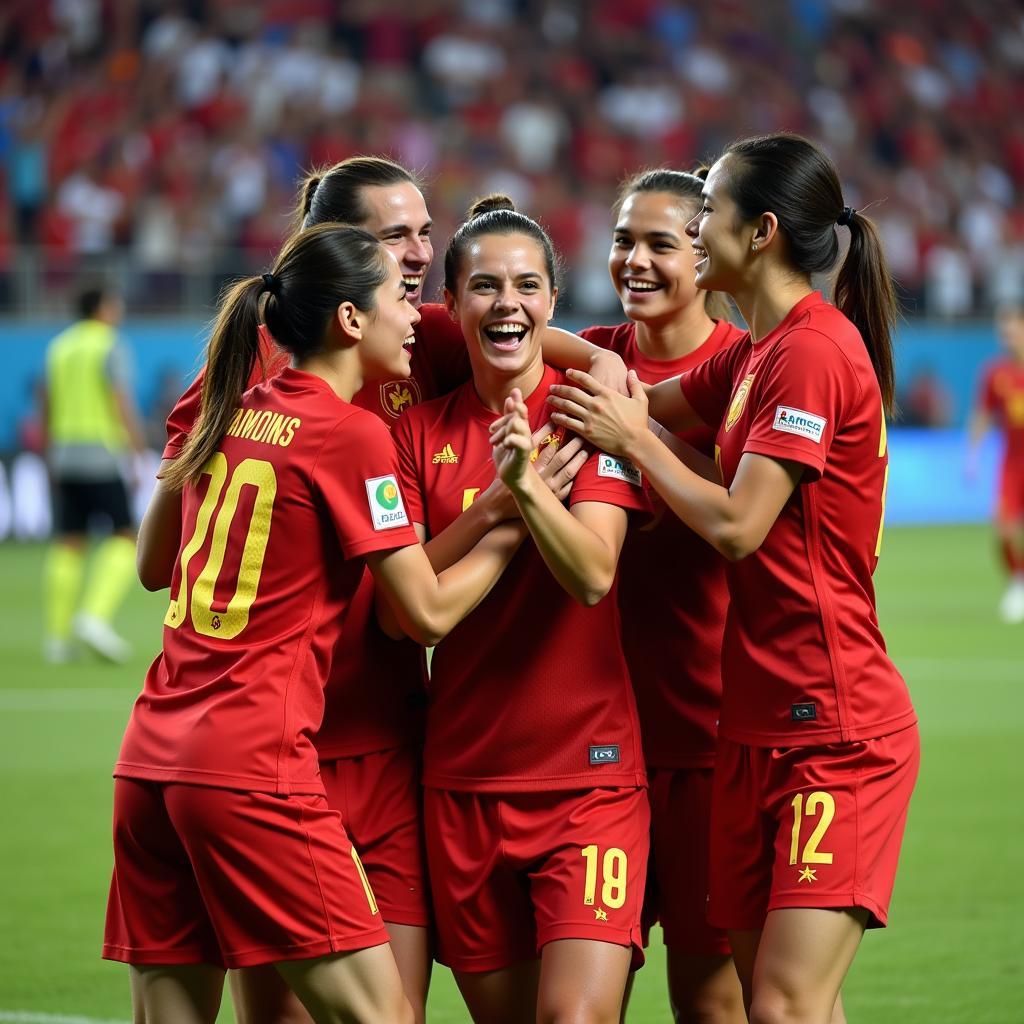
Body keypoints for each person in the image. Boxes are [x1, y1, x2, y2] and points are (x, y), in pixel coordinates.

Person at [154, 155, 622, 1024]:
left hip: (385, 740)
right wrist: (505, 513)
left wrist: (612, 376)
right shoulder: (275, 376)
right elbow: (163, 561)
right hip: (282, 743)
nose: (415, 258)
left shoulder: (414, 332)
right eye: (393, 237)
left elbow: (510, 318)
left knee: (386, 1002)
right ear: (334, 264)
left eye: (422, 236)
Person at [103, 223, 529, 1024]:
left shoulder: (228, 410)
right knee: (385, 1015)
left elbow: (155, 564)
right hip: (249, 763)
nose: (417, 315)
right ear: (350, 320)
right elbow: (427, 612)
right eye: (401, 297)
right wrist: (510, 518)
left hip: (149, 764)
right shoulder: (350, 431)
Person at [549, 133, 919, 1024]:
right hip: (752, 726)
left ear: (758, 233)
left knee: (784, 1004)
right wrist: (510, 328)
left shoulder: (813, 353)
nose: (694, 223)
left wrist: (632, 440)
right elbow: (642, 400)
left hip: (834, 726)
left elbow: (737, 524)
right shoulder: (755, 353)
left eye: (706, 209)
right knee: (775, 1006)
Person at [392, 196, 650, 1024]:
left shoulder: (585, 416)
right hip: (461, 782)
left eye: (529, 286)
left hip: (590, 781)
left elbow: (592, 575)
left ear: (551, 302)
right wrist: (499, 508)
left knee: (573, 1018)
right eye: (486, 287)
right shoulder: (413, 434)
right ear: (452, 304)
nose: (508, 303)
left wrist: (527, 491)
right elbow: (400, 611)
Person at [579, 169, 746, 1023]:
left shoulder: (745, 372)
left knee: (709, 1000)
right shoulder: (590, 353)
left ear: (708, 255)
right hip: (589, 752)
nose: (633, 260)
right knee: (574, 999)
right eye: (622, 240)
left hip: (706, 741)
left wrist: (634, 435)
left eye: (659, 244)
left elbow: (741, 517)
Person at [42, 283, 146, 663]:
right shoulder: (108, 343)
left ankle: (56, 638)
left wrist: (50, 452)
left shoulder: (60, 347)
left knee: (69, 542)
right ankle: (95, 617)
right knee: (125, 536)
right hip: (101, 453)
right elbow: (119, 399)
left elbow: (47, 402)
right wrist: (136, 451)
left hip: (65, 453)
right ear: (102, 307)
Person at [968, 304, 1024, 623]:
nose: (1007, 337)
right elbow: (983, 415)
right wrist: (972, 456)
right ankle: (1017, 583)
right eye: (1004, 331)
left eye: (1013, 329)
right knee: (1004, 527)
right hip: (1013, 464)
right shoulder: (996, 374)